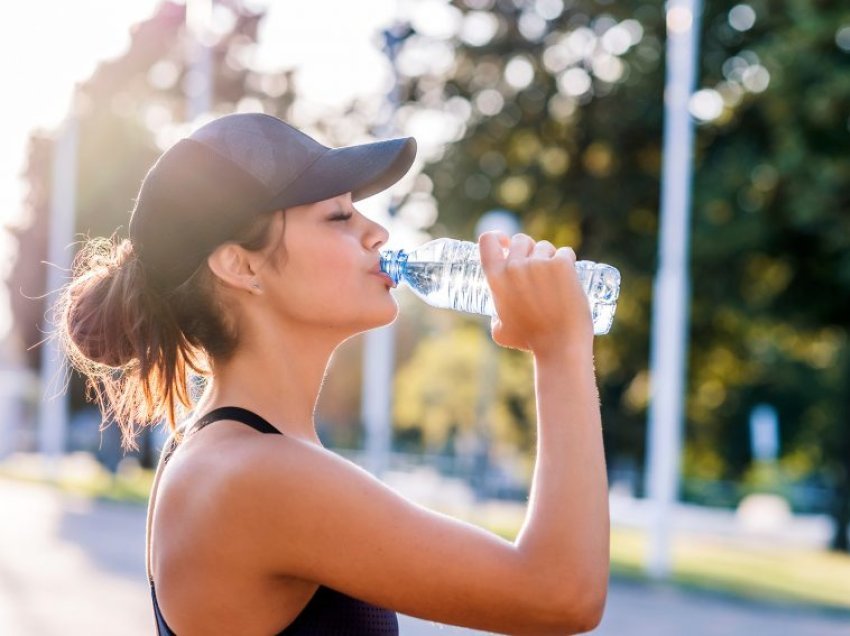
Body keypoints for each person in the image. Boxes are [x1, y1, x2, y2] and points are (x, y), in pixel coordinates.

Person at [57, 113, 609, 635]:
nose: (378, 234)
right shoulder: (255, 475)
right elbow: (559, 594)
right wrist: (559, 348)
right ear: (240, 265)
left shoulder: (234, 453)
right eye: (340, 216)